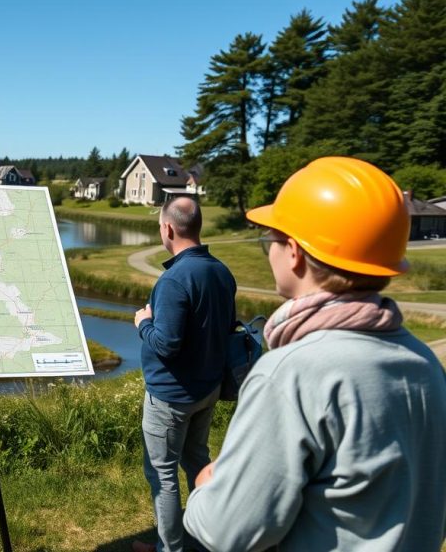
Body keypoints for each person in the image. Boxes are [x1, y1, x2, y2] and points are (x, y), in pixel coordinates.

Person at [184, 156, 446, 551]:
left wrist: (207, 488)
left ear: (294, 253)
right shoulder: (423, 362)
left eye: (269, 240)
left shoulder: (292, 373)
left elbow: (227, 532)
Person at [132, 196, 237, 552]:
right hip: (208, 389)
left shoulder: (174, 280)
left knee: (162, 474)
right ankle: (203, 538)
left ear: (168, 228)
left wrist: (143, 324)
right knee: (197, 462)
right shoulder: (221, 271)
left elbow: (166, 344)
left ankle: (170, 548)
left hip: (171, 395)